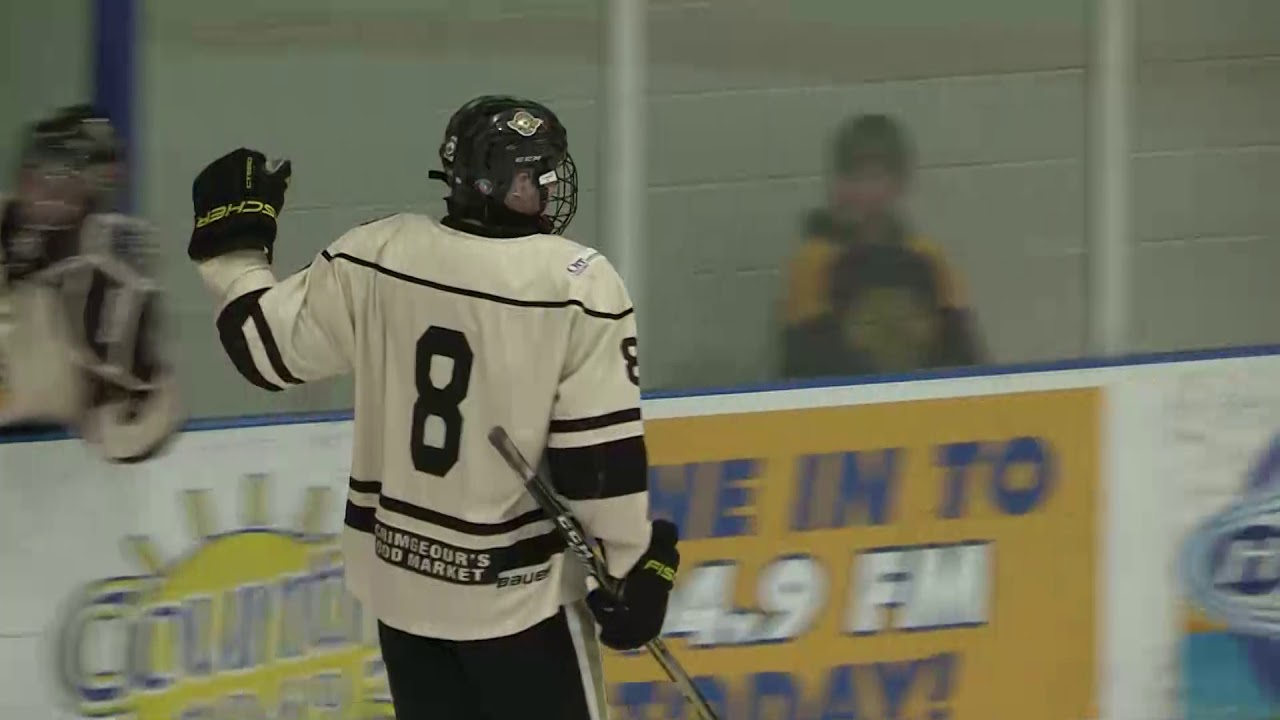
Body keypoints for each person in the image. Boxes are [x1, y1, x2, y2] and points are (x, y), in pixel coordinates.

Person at [187, 95, 679, 719]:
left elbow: (263, 349)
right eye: (535, 174)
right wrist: (633, 567)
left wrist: (234, 252)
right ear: (494, 183)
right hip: (517, 605)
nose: (551, 187)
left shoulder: (375, 254)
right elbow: (597, 464)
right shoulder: (579, 283)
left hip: (405, 601)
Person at [0, 104, 180, 462]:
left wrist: (135, 396)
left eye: (68, 175)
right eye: (43, 167)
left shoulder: (107, 275)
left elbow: (134, 428)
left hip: (47, 462)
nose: (45, 186)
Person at [780, 112, 983, 378]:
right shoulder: (814, 261)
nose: (857, 190)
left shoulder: (925, 257)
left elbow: (961, 352)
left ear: (899, 184)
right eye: (849, 177)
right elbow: (805, 361)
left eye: (871, 178)